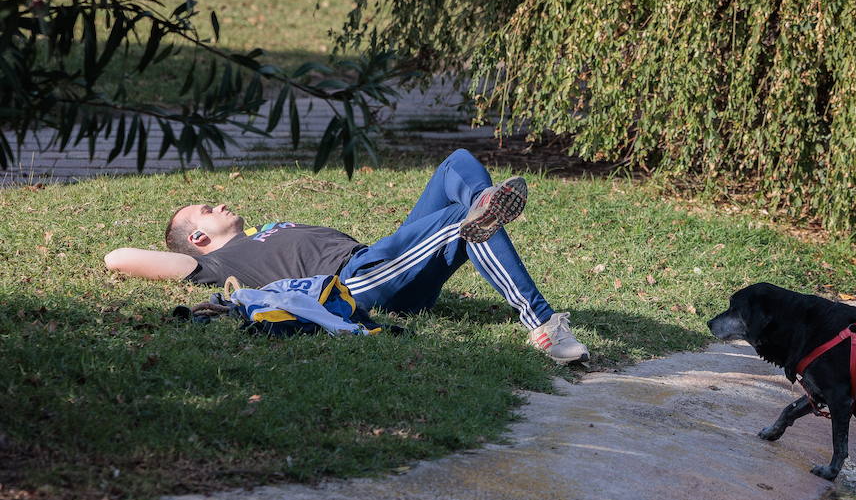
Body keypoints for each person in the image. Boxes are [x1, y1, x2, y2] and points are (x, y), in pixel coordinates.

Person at [103, 148, 590, 364]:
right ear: (198, 241)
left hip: (378, 260)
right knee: (462, 223)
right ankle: (543, 326)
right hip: (354, 284)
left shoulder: (261, 232)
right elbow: (117, 257)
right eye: (206, 212)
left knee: (457, 164)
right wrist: (179, 254)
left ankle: (485, 206)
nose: (219, 205)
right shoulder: (214, 264)